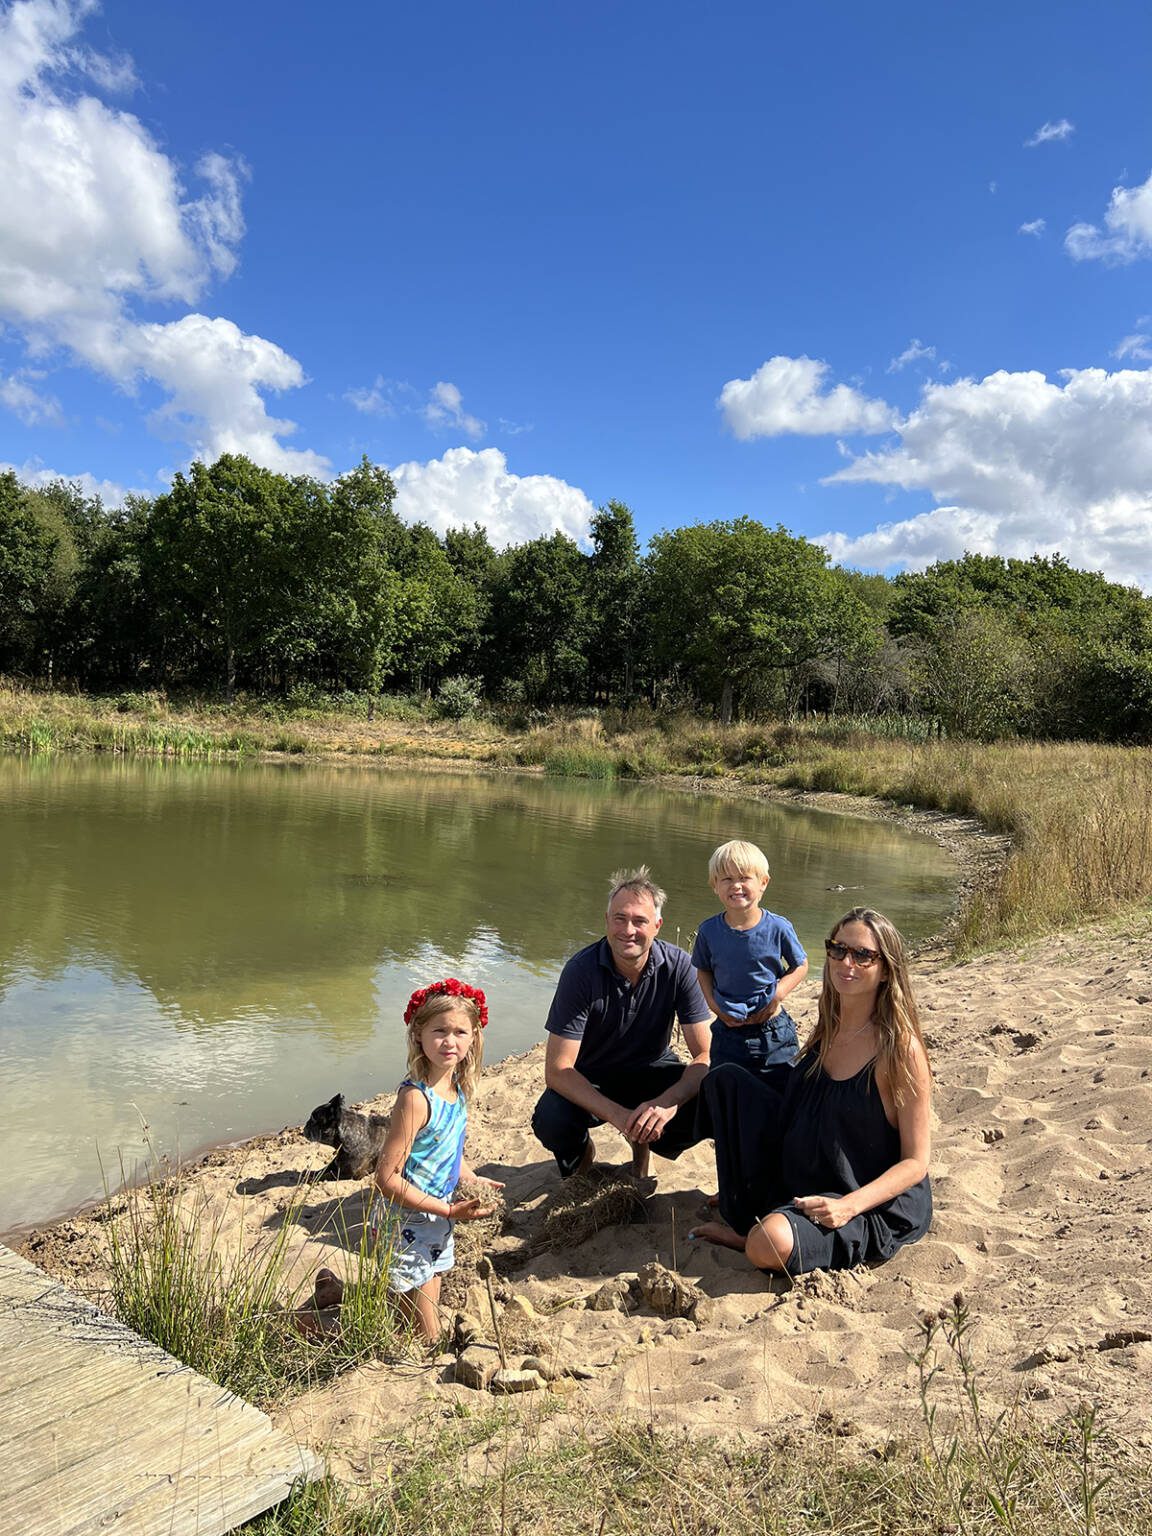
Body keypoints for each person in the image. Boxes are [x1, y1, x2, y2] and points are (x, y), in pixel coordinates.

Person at [691, 908, 932, 1274]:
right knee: (726, 1081)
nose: (846, 962)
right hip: (812, 1176)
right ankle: (749, 1215)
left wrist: (848, 1206)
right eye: (838, 949)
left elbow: (915, 1162)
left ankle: (753, 1234)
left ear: (886, 970)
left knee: (767, 1243)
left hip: (865, 1197)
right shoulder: (830, 1027)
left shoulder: (899, 1049)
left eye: (863, 955)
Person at [314, 978, 501, 1343]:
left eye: (460, 1032)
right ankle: (305, 1323)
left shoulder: (457, 1090)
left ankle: (335, 1290)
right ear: (418, 1034)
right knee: (426, 1336)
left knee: (414, 1308)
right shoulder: (416, 1099)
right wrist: (447, 1210)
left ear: (474, 1037)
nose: (450, 1041)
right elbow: (386, 1179)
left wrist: (472, 1179)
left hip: (439, 1219)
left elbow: (450, 1152)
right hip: (406, 1224)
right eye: (439, 1031)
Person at [531, 866, 713, 1180]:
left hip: (653, 1070)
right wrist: (620, 1117)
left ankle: (645, 1150)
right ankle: (582, 1154)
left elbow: (706, 1055)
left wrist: (667, 1103)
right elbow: (558, 1070)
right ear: (606, 921)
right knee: (551, 1119)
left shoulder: (680, 966)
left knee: (719, 1096)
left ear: (657, 925)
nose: (628, 930)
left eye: (639, 921)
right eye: (620, 918)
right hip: (593, 1073)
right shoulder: (580, 971)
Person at [691, 839, 808, 1089]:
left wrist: (778, 994)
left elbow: (800, 965)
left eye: (744, 878)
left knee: (783, 1091)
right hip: (727, 1029)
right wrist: (713, 1004)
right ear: (715, 886)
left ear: (763, 882)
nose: (736, 886)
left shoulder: (778, 927)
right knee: (727, 1091)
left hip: (772, 1031)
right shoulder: (709, 931)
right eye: (727, 879)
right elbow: (703, 970)